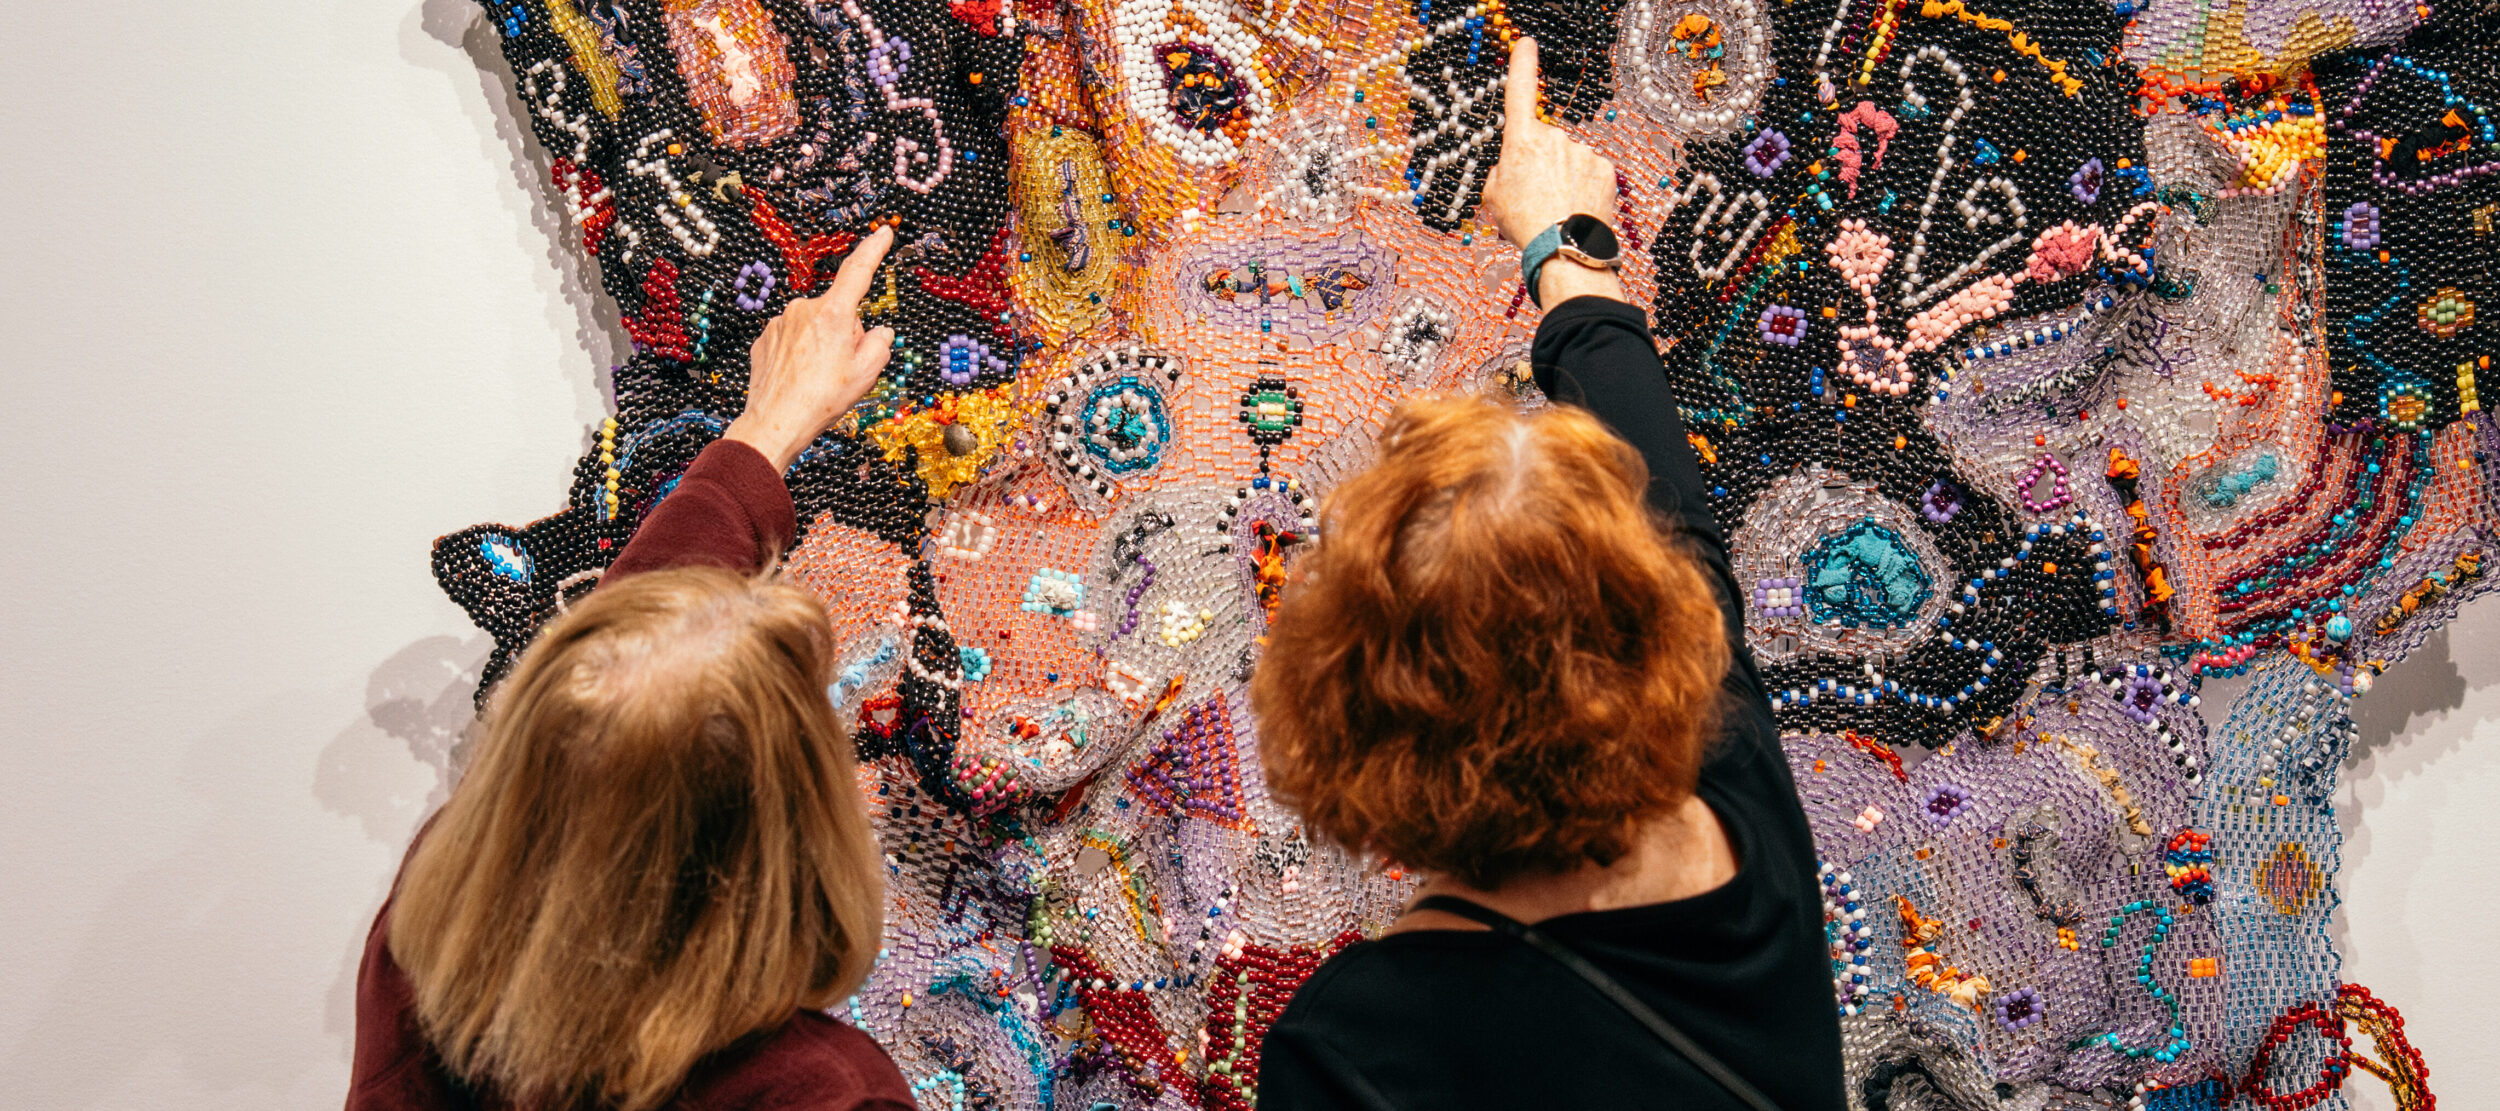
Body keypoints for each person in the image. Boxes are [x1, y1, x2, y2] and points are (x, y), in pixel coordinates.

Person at [1250, 39, 1846, 1111]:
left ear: (1345, 705)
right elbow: (1675, 515)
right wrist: (1562, 244)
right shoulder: (1733, 795)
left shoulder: (1350, 1050)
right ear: (1652, 629)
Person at [346, 229, 915, 1111]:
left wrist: (765, 434)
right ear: (778, 840)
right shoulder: (820, 1093)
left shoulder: (431, 956)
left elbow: (621, 707)